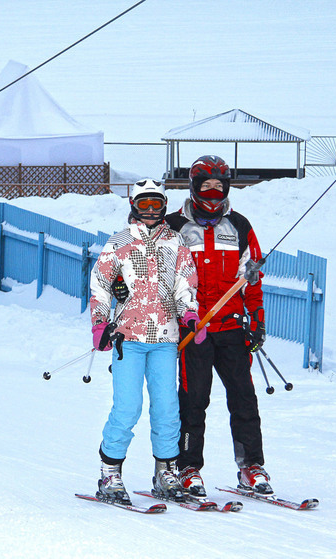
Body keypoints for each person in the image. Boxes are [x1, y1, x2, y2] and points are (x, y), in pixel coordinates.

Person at [89, 178, 203, 505]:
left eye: (156, 205)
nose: (151, 211)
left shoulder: (175, 242)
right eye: (144, 205)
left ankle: (166, 470)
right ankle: (110, 471)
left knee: (167, 408)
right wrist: (100, 323)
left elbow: (185, 285)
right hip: (129, 339)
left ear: (164, 207)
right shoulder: (119, 242)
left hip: (165, 338)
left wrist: (189, 313)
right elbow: (100, 286)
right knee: (128, 406)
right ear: (134, 207)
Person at [163, 155, 271, 496]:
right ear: (193, 187)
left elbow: (252, 283)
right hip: (193, 329)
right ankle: (188, 467)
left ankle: (251, 466)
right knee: (194, 399)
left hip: (232, 328)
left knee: (244, 399)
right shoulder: (173, 227)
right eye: (206, 186)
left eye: (219, 186)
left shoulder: (239, 226)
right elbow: (155, 277)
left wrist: (257, 324)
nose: (213, 192)